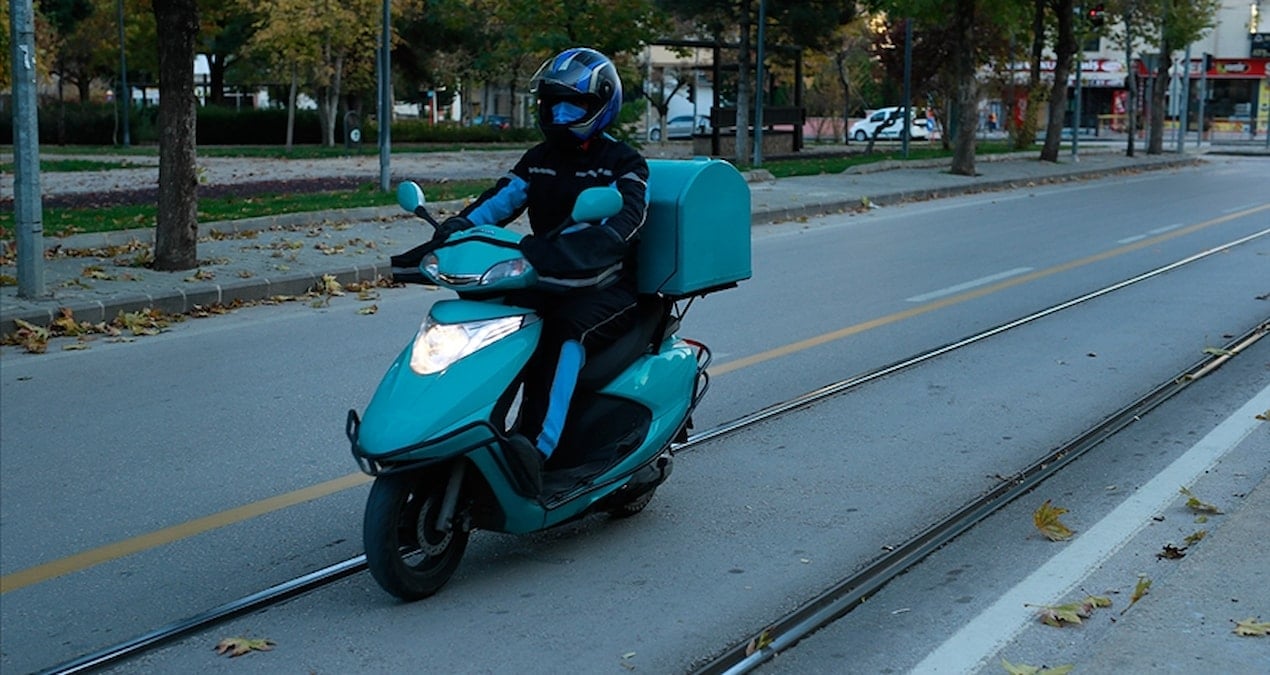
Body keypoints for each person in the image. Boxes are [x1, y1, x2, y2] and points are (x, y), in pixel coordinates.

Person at [424, 47, 649, 496]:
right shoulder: (539, 158)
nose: (561, 113)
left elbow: (624, 223)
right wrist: (455, 230)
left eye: (575, 104)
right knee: (494, 324)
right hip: (545, 276)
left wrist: (566, 250)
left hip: (605, 287)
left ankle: (534, 450)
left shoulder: (624, 163)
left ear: (601, 105)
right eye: (554, 103)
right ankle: (464, 429)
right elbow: (499, 201)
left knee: (564, 332)